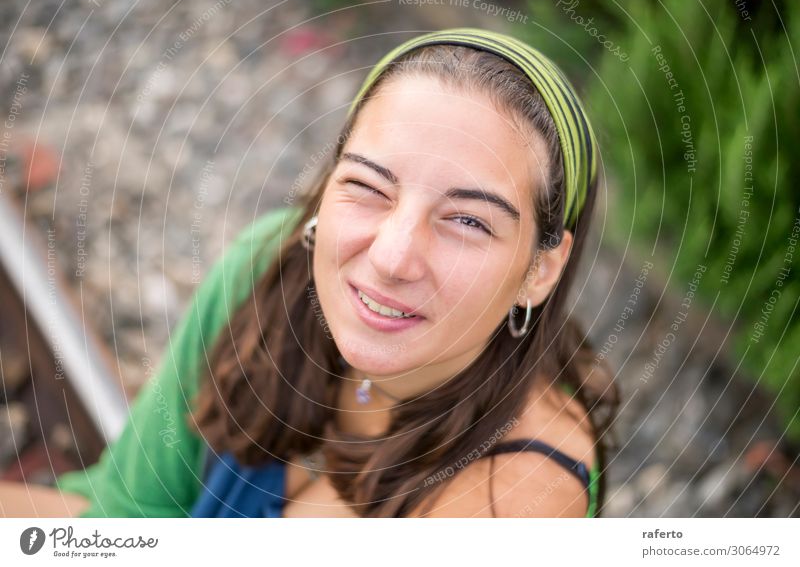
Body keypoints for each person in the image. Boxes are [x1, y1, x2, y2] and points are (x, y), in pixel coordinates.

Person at [52, 27, 618, 518]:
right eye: (368, 186)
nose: (392, 258)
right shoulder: (268, 262)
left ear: (540, 269)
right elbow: (129, 509)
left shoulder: (519, 489)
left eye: (468, 220)